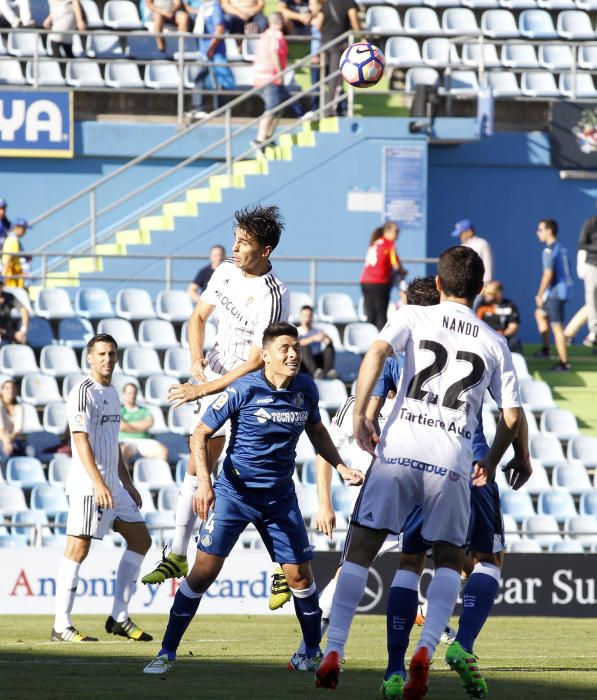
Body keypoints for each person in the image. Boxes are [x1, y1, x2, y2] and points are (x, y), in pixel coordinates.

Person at [316, 246, 523, 697]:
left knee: (363, 551)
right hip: (452, 459)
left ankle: (334, 648)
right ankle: (427, 647)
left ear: (442, 285)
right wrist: (496, 460)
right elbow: (511, 417)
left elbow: (375, 352)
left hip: (399, 450)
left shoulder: (412, 316)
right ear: (480, 290)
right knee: (450, 559)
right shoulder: (493, 340)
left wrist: (359, 417)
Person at [143, 322, 355, 674]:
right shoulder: (244, 388)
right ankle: (166, 651)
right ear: (267, 354)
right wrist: (205, 484)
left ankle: (310, 653)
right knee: (202, 573)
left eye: (296, 348)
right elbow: (200, 434)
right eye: (285, 348)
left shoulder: (306, 388)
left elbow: (316, 430)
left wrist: (341, 467)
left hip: (279, 498)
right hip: (234, 494)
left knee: (300, 578)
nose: (292, 354)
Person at [141, 204, 289, 585]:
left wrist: (202, 387)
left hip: (252, 388)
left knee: (257, 474)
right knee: (198, 457)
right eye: (235, 240)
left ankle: (281, 566)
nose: (235, 248)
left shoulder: (273, 294)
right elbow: (198, 318)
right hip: (217, 378)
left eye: (244, 243)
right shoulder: (224, 272)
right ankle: (176, 553)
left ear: (265, 251)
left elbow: (258, 361)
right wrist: (195, 360)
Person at [52, 334, 153, 643]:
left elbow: (113, 445)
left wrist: (128, 483)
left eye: (111, 353)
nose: (107, 358)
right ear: (89, 358)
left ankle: (119, 618)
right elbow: (79, 441)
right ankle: (61, 625)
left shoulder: (111, 393)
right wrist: (97, 483)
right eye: (101, 354)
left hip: (113, 484)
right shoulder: (82, 393)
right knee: (77, 549)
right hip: (88, 485)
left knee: (141, 540)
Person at [251, 12, 303, 153]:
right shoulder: (276, 35)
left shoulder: (265, 35)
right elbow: (274, 53)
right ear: (280, 22)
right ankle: (260, 139)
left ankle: (268, 137)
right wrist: (280, 73)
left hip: (260, 77)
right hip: (270, 77)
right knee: (272, 107)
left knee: (279, 107)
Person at [534, 218, 573, 371]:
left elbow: (548, 274)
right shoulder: (562, 248)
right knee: (540, 314)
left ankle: (564, 363)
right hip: (562, 291)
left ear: (549, 230)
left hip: (555, 293)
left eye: (540, 230)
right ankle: (546, 350)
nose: (538, 233)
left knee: (557, 328)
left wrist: (539, 294)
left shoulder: (549, 250)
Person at [184, 0, 231, 121]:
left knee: (219, 79)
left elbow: (219, 29)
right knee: (199, 77)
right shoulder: (204, 7)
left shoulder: (215, 8)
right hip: (204, 50)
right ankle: (198, 108)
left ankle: (220, 109)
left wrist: (211, 48)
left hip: (214, 52)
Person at [360, 221, 406, 330]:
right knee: (381, 315)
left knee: (370, 315)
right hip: (379, 282)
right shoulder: (389, 245)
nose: (398, 234)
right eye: (396, 231)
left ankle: (368, 340)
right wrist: (403, 271)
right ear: (387, 231)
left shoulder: (375, 242)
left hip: (365, 282)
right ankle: (381, 342)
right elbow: (396, 264)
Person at [319, 0, 360, 117]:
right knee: (335, 79)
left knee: (325, 76)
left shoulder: (327, 3)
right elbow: (354, 21)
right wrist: (362, 36)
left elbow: (318, 24)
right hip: (339, 45)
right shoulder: (349, 3)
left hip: (325, 43)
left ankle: (325, 107)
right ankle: (328, 110)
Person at [119, 383, 169, 465]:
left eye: (134, 393)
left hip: (144, 440)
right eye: (129, 393)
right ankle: (124, 477)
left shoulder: (144, 410)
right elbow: (121, 426)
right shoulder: (119, 410)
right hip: (125, 440)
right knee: (121, 451)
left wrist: (128, 425)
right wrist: (140, 427)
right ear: (124, 394)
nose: (132, 395)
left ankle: (159, 476)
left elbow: (149, 423)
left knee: (163, 451)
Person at [476, 280, 522, 353]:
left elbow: (513, 327)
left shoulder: (510, 305)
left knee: (515, 342)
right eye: (485, 293)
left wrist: (502, 334)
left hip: (503, 338)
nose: (485, 296)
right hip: (485, 337)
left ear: (498, 293)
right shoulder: (481, 305)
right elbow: (476, 323)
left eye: (489, 293)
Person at [577, 204, 597, 348]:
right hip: (593, 266)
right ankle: (595, 332)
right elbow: (582, 244)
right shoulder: (591, 223)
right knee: (592, 300)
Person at [297, 304, 336, 378]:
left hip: (317, 360)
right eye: (305, 316)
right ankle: (315, 372)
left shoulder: (317, 331)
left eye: (309, 316)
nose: (307, 318)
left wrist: (325, 338)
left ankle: (329, 372)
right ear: (301, 317)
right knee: (304, 347)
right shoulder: (297, 331)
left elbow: (330, 342)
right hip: (304, 362)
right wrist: (313, 338)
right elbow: (297, 344)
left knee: (329, 347)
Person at [451, 219, 493, 285]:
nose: (460, 236)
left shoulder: (482, 244)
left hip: (479, 285)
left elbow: (487, 265)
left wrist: (485, 284)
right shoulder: (462, 246)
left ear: (469, 231)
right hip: (464, 286)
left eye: (461, 233)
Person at [0, 379, 26, 467]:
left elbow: (17, 429)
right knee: (7, 454)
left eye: (13, 388)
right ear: (2, 391)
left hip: (14, 440)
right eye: (7, 388)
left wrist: (9, 441)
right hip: (2, 439)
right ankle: (6, 478)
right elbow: (1, 427)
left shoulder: (19, 408)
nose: (10, 390)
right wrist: (6, 441)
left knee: (29, 453)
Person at [0, 275, 29, 345]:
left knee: (23, 340)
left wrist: (23, 330)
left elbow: (23, 309)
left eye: (0, 284)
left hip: (7, 331)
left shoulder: (9, 296)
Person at [2, 218, 30, 289]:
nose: (24, 232)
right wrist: (4, 277)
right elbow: (8, 259)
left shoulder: (12, 240)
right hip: (11, 278)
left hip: (14, 277)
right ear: (16, 228)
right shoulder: (13, 241)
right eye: (23, 229)